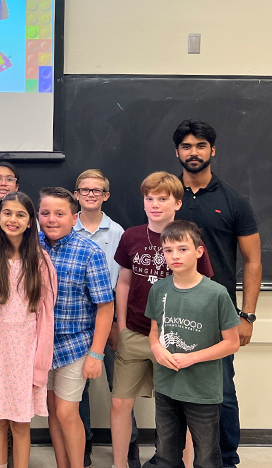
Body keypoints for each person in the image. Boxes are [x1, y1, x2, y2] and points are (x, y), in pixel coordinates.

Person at [110, 172, 214, 468]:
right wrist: (120, 326)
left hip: (176, 338)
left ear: (177, 203)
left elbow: (201, 287)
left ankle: (182, 462)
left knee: (177, 408)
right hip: (135, 333)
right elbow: (124, 283)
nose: (155, 204)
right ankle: (120, 464)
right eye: (149, 198)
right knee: (120, 403)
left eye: (163, 198)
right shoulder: (131, 236)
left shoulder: (189, 238)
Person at [172, 120, 261, 468]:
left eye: (200, 145)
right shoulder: (166, 197)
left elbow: (253, 261)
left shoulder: (234, 201)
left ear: (213, 150)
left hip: (219, 313)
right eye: (186, 146)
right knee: (173, 391)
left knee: (221, 392)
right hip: (172, 311)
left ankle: (226, 460)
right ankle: (172, 458)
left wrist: (247, 315)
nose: (193, 152)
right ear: (177, 151)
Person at [0, 192, 56, 468]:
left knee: (21, 423)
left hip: (26, 355)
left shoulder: (40, 261)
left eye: (21, 214)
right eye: (7, 213)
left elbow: (46, 318)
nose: (13, 219)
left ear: (31, 222)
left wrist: (40, 365)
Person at [146, 221, 241, 468]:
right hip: (167, 386)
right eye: (168, 250)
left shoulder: (216, 293)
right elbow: (154, 332)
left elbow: (232, 343)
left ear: (199, 251)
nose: (174, 256)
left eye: (182, 249)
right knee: (166, 456)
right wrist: (156, 348)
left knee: (207, 457)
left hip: (202, 391)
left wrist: (192, 357)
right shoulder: (159, 289)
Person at [36, 187, 114, 468]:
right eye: (45, 213)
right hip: (42, 346)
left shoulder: (89, 251)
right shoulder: (33, 247)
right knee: (53, 412)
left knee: (68, 412)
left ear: (74, 217)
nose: (52, 219)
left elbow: (106, 306)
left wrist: (96, 354)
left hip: (76, 345)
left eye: (60, 213)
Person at [72, 169, 127, 467]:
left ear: (106, 195)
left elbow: (121, 282)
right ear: (76, 194)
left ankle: (128, 449)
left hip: (110, 320)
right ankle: (84, 447)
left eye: (97, 190)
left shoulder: (117, 232)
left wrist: (118, 322)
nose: (90, 194)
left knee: (120, 388)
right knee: (77, 389)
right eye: (85, 190)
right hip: (77, 322)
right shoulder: (66, 228)